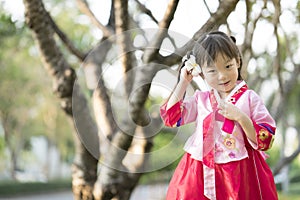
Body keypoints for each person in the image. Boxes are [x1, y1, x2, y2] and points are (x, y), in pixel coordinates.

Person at [160, 31, 278, 200]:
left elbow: (265, 139)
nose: (222, 76)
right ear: (201, 73)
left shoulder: (249, 99)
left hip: (240, 171)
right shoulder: (201, 100)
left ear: (237, 61)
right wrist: (183, 82)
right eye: (212, 70)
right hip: (199, 170)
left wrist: (241, 117)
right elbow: (171, 117)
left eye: (228, 66)